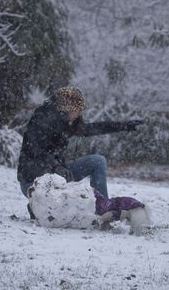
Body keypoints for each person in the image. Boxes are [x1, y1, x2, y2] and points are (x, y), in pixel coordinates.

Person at [17, 86, 142, 218]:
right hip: (33, 181)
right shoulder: (41, 119)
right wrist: (55, 166)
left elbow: (90, 129)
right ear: (66, 107)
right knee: (65, 208)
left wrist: (122, 125)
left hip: (59, 176)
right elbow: (35, 149)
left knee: (98, 161)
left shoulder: (66, 123)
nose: (78, 114)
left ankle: (104, 210)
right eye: (76, 110)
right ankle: (38, 205)